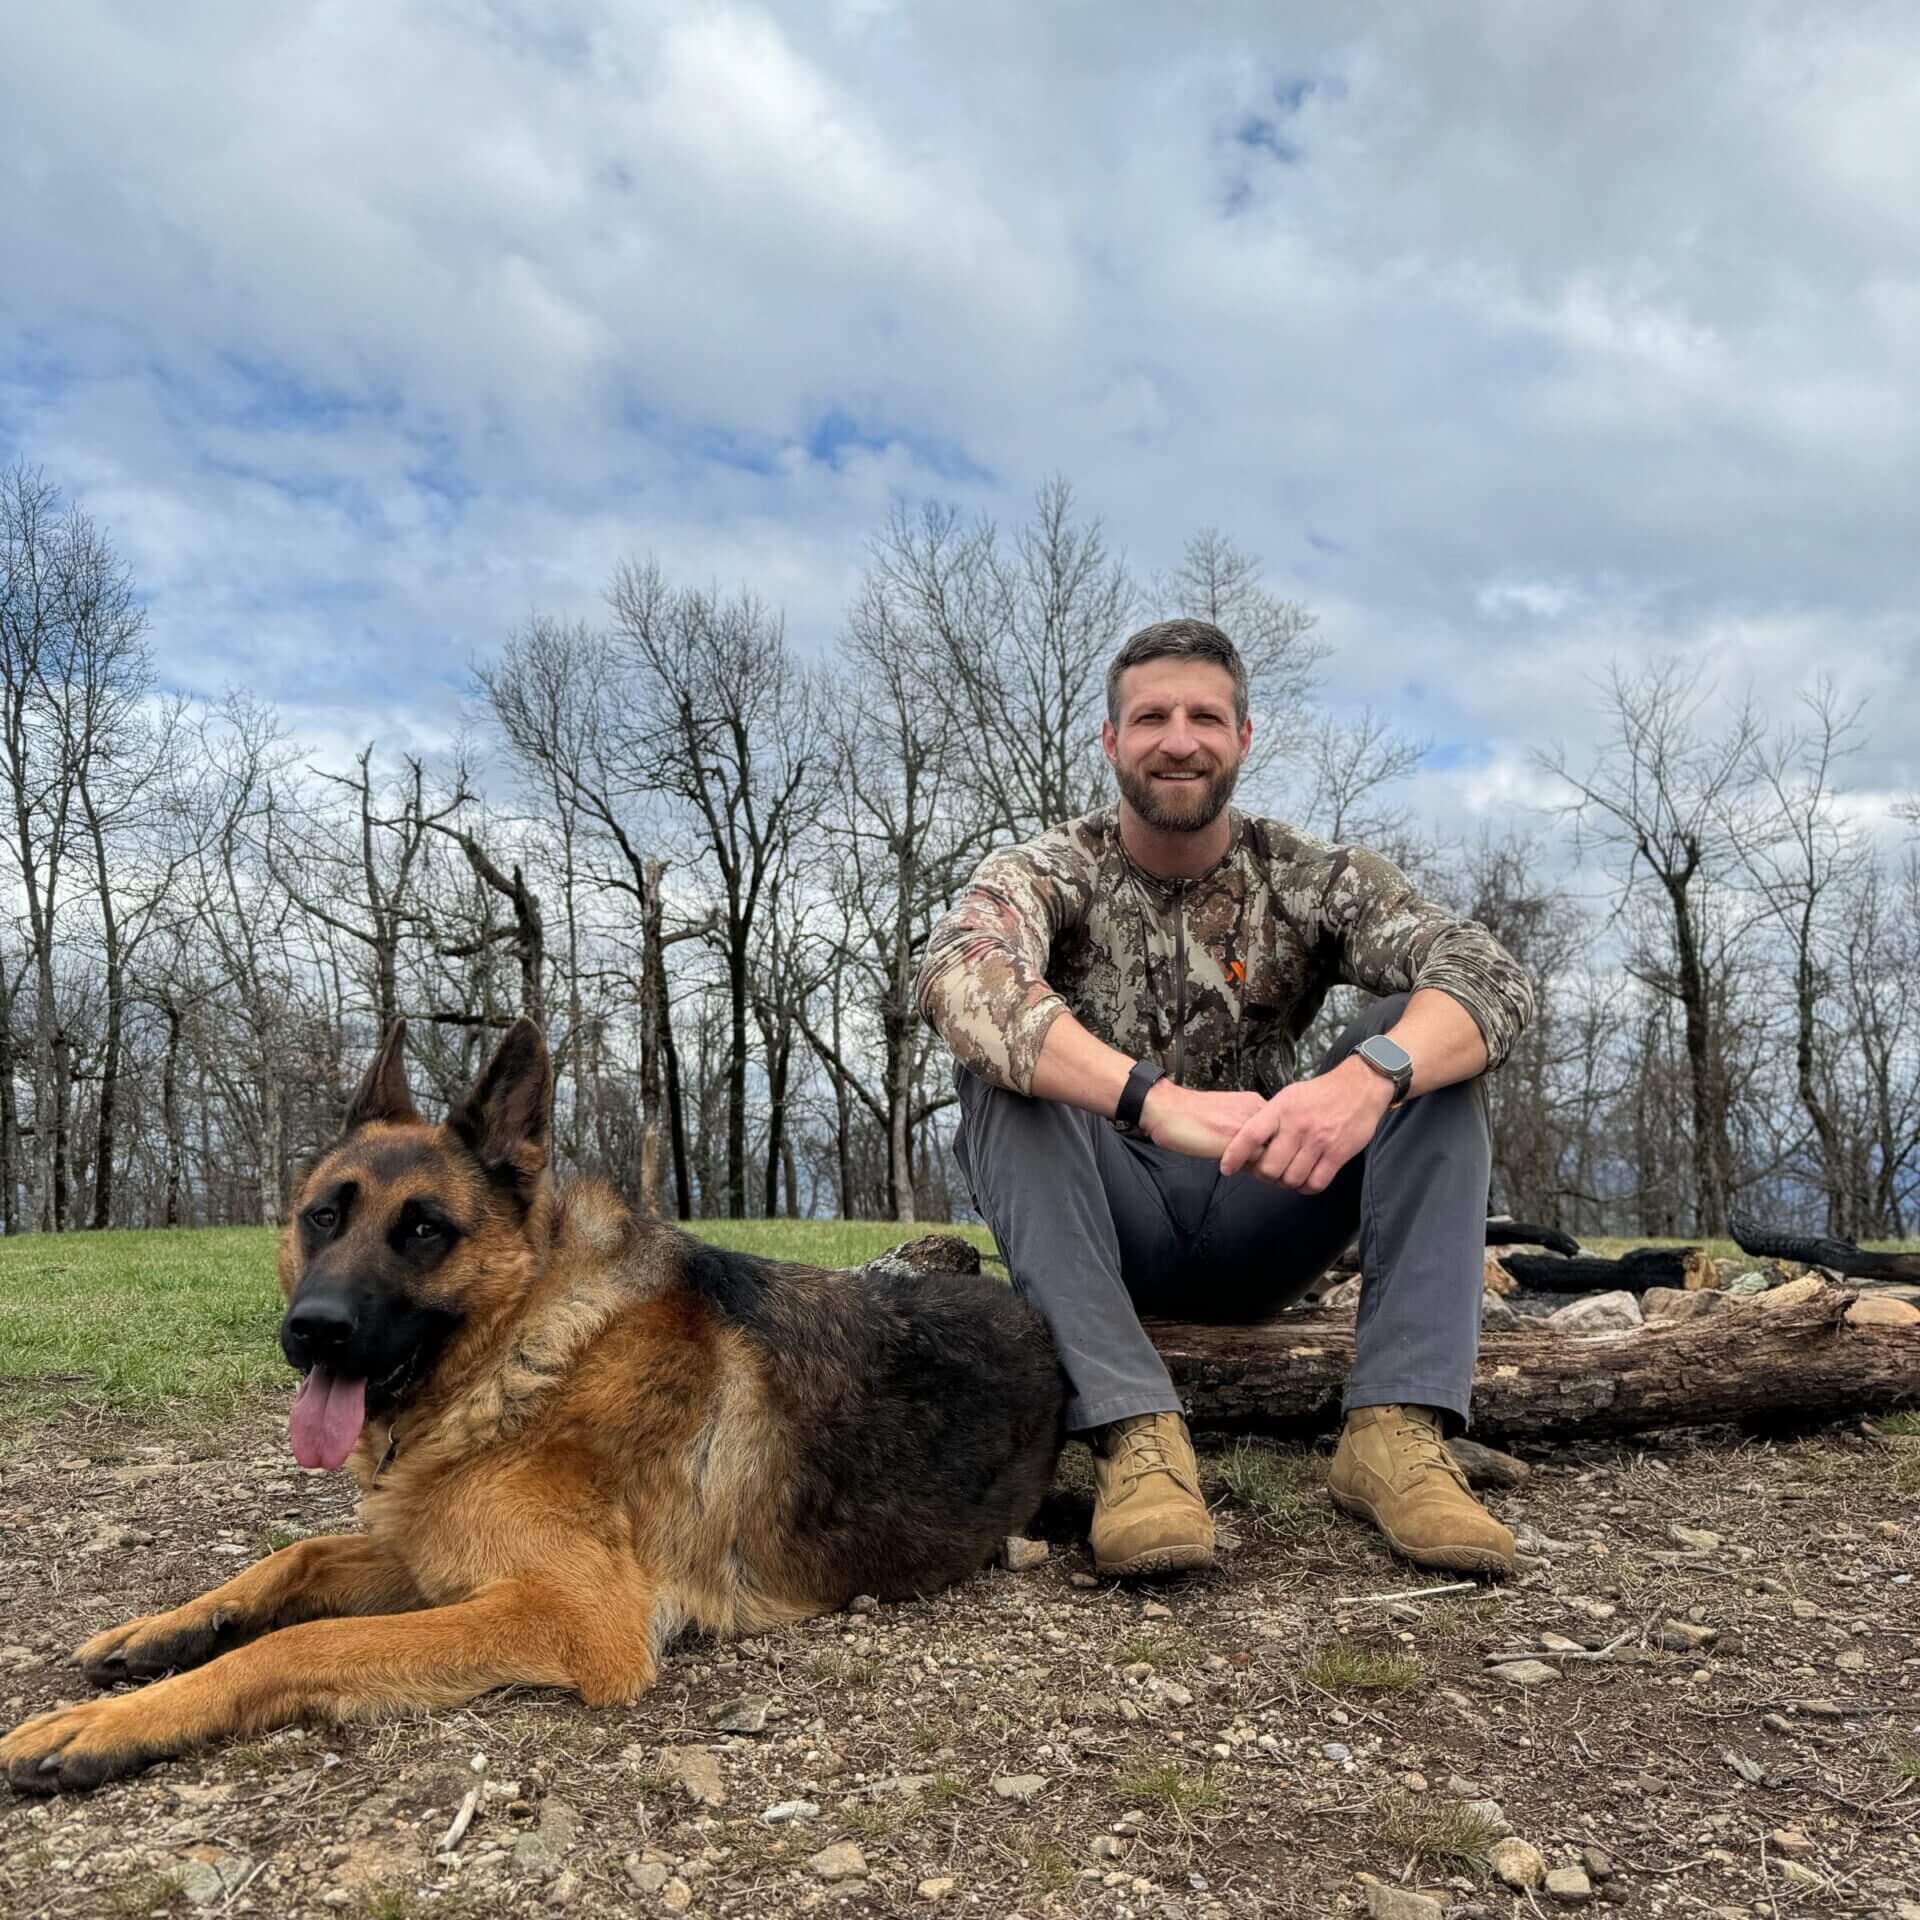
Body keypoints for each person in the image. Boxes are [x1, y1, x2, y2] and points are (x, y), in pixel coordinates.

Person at [915, 619, 1536, 1580]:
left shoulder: (1309, 877)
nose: (1179, 740)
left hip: (1267, 1203)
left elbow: (1486, 969)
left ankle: (1398, 1430)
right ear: (1110, 740)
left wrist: (1366, 1078)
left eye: (1205, 717)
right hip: (1104, 1223)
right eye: (1151, 717)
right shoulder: (1049, 871)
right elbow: (959, 970)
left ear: (1243, 738)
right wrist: (1150, 1099)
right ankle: (1135, 1436)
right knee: (1002, 1066)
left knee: (1422, 1045)